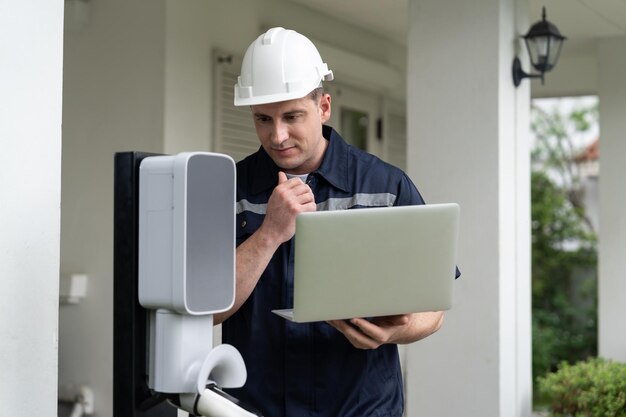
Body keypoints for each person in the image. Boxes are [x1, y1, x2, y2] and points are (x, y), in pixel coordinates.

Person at [214, 27, 451, 417]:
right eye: (263, 119)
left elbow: (432, 309)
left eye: (292, 116)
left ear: (323, 107)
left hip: (360, 407)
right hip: (254, 407)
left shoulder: (386, 186)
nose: (277, 135)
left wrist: (393, 332)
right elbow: (209, 310)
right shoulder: (228, 190)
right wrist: (270, 233)